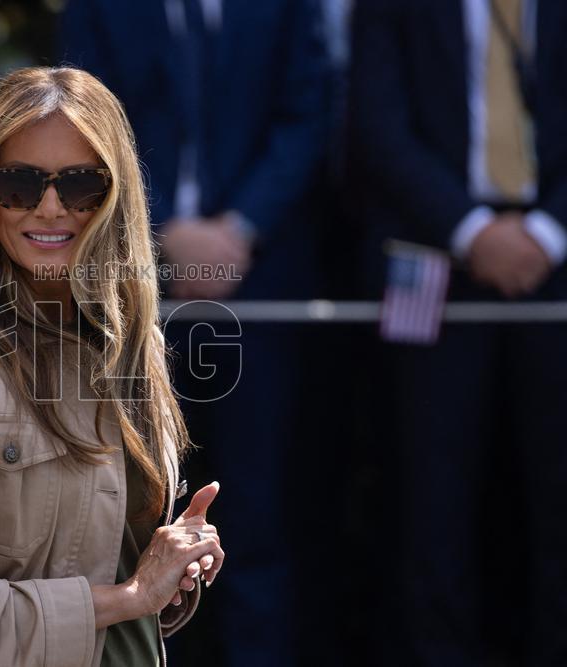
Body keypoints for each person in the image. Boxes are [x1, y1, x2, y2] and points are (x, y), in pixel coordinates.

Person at [0, 66, 225, 666]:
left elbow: (115, 558)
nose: (50, 208)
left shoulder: (132, 337)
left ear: (114, 195)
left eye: (79, 186)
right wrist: (127, 597)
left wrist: (172, 563)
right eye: (19, 185)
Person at [62, 2, 329, 664]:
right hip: (127, 292)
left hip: (260, 288)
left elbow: (309, 111)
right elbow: (76, 120)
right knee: (120, 516)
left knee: (257, 512)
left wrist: (238, 230)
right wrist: (157, 237)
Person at [349, 0, 567, 663]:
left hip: (555, 261)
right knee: (431, 496)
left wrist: (547, 234)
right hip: (432, 255)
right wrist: (473, 233)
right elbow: (376, 125)